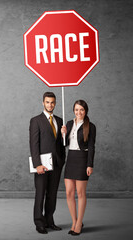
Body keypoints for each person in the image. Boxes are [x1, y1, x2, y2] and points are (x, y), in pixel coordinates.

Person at [29, 92, 66, 234]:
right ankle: (39, 222)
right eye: (47, 102)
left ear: (55, 103)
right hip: (42, 164)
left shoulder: (60, 120)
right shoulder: (36, 121)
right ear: (43, 103)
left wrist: (64, 135)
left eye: (52, 102)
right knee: (40, 193)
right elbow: (34, 144)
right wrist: (37, 164)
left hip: (56, 163)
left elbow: (64, 144)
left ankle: (49, 220)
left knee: (52, 194)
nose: (50, 105)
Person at [61, 100, 96, 236]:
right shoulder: (69, 123)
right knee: (69, 192)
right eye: (76, 110)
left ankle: (79, 222)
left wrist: (90, 164)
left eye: (81, 110)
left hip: (82, 159)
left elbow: (92, 147)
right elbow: (65, 144)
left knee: (80, 193)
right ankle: (75, 222)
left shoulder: (90, 126)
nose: (79, 112)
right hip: (71, 158)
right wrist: (63, 134)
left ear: (85, 110)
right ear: (73, 110)